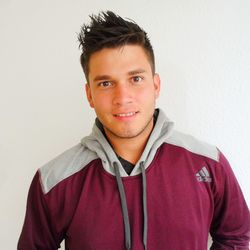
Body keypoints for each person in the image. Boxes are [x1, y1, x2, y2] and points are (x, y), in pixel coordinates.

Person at [18, 11, 250, 250]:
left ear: (156, 85)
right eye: (106, 83)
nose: (122, 98)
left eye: (136, 79)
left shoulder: (208, 164)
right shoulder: (53, 180)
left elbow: (235, 236)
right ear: (90, 95)